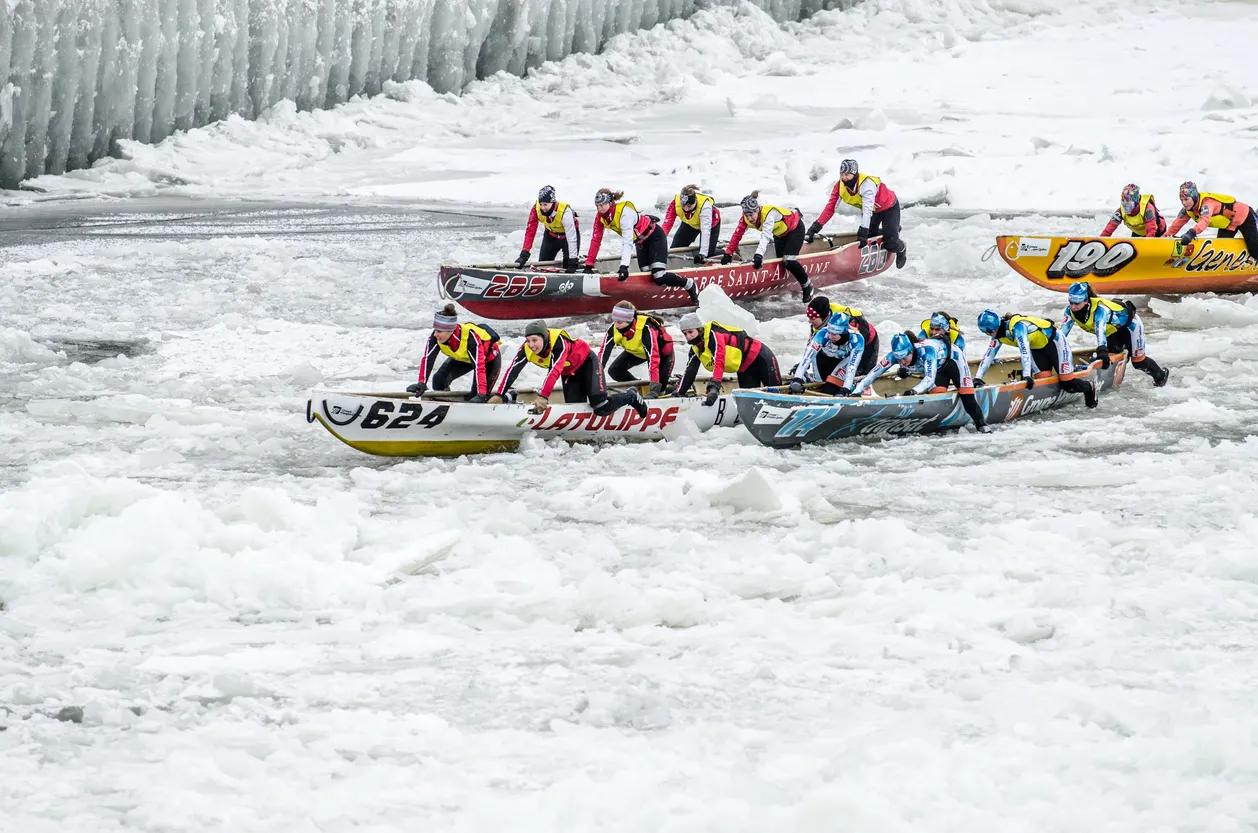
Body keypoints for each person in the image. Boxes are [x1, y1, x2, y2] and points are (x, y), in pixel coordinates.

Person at [494, 320, 648, 416]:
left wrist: (543, 397)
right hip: (570, 373)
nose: (531, 345)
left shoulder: (559, 342)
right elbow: (512, 371)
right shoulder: (526, 349)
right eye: (528, 340)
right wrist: (499, 395)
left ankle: (631, 396)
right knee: (575, 410)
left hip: (588, 364)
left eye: (535, 340)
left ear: (545, 337)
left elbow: (554, 370)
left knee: (601, 407)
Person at [851, 332, 989, 431]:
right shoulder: (894, 356)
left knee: (966, 395)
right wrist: (856, 392)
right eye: (898, 360)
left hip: (954, 361)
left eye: (905, 358)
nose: (902, 362)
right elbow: (872, 374)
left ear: (911, 350)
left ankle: (982, 425)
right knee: (937, 396)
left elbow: (929, 378)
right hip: (938, 369)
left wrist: (914, 391)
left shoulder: (927, 351)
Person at [585, 188, 700, 303]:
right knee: (646, 275)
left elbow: (627, 241)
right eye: (597, 206)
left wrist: (624, 266)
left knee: (658, 276)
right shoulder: (600, 217)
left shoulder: (624, 213)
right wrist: (589, 265)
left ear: (610, 203)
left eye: (602, 205)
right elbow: (596, 240)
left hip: (655, 237)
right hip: (641, 243)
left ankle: (688, 284)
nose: (599, 209)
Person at [974, 310, 1097, 408]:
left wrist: (1027, 375)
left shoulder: (1017, 327)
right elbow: (988, 355)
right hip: (1037, 349)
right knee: (1044, 385)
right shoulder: (997, 335)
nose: (988, 335)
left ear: (993, 329)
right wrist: (978, 378)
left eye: (988, 332)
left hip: (1054, 343)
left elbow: (1024, 351)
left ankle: (1089, 386)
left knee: (1068, 385)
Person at [1061, 281, 1170, 387]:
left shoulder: (1100, 310)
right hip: (1112, 331)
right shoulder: (1069, 312)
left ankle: (1161, 377)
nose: (1073, 307)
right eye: (1071, 303)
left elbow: (1100, 331)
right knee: (1111, 358)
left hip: (1131, 326)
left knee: (1138, 362)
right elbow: (1062, 335)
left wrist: (1102, 350)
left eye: (1077, 303)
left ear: (1086, 301)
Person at [805, 159, 907, 269]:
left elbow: (867, 210)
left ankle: (902, 248)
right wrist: (813, 229)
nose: (844, 178)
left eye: (847, 175)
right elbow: (830, 209)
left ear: (855, 173)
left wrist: (863, 231)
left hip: (889, 207)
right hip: (873, 211)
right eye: (842, 174)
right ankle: (892, 230)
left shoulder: (866, 185)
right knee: (869, 237)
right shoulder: (839, 187)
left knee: (890, 243)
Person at [721, 191, 815, 301]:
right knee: (780, 262)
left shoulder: (769, 214)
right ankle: (786, 285)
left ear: (757, 210)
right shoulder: (745, 217)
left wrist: (758, 255)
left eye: (751, 215)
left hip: (795, 229)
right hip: (780, 234)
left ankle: (807, 285)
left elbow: (765, 236)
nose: (749, 218)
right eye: (747, 215)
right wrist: (728, 253)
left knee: (788, 260)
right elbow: (737, 235)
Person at [676, 312, 781, 406]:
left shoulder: (714, 336)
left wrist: (714, 388)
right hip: (745, 368)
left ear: (699, 329)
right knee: (750, 403)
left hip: (761, 357)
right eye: (685, 333)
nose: (688, 336)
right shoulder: (695, 348)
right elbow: (690, 371)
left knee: (776, 397)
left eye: (690, 332)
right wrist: (679, 393)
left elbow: (719, 361)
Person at [407, 304, 501, 402]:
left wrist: (481, 394)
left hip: (488, 360)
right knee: (439, 379)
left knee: (476, 395)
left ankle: (501, 398)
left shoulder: (470, 339)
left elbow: (479, 366)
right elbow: (427, 359)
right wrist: (421, 383)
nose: (436, 334)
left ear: (451, 331)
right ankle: (443, 407)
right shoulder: (435, 337)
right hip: (464, 358)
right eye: (435, 330)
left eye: (439, 331)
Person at [597, 301, 675, 396]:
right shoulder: (613, 329)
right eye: (614, 321)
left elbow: (653, 358)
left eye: (619, 322)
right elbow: (602, 355)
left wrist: (654, 389)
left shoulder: (645, 329)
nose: (616, 325)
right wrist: (595, 382)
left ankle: (677, 388)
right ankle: (638, 389)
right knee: (614, 371)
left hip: (662, 354)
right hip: (637, 352)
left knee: (660, 390)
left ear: (629, 320)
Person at [787, 312, 875, 396]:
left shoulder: (857, 340)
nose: (830, 336)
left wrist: (845, 389)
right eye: (829, 332)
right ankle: (805, 378)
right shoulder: (822, 334)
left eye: (834, 334)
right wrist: (797, 379)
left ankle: (849, 386)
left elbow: (852, 367)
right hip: (823, 358)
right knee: (819, 385)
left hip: (843, 361)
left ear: (844, 332)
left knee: (830, 389)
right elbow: (807, 357)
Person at [1165, 181, 1258, 256]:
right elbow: (1175, 226)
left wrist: (1191, 233)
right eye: (1181, 200)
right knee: (1221, 251)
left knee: (1254, 249)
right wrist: (1162, 239)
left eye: (1186, 199)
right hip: (1228, 225)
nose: (1184, 203)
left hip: (1245, 217)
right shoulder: (1187, 210)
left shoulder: (1207, 204)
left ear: (1194, 197)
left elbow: (1204, 221)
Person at [516, 185, 580, 272]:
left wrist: (572, 260)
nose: (542, 208)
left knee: (569, 266)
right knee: (543, 267)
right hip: (550, 236)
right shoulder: (536, 209)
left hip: (568, 238)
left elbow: (571, 237)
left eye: (545, 204)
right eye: (541, 204)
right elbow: (530, 231)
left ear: (553, 202)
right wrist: (524, 253)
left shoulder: (565, 211)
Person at [661, 184, 721, 264]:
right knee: (675, 249)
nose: (686, 209)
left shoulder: (705, 206)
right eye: (684, 206)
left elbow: (705, 231)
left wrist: (702, 254)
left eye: (689, 206)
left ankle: (723, 251)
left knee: (707, 255)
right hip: (690, 223)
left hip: (711, 225)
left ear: (695, 201)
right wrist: (659, 242)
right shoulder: (676, 203)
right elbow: (667, 224)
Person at [1100, 183, 1166, 238]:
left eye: (1128, 200)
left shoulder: (1148, 209)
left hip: (1157, 231)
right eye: (1123, 199)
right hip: (1138, 232)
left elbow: (1151, 231)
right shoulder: (1120, 212)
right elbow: (1109, 229)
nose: (1125, 203)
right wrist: (1100, 241)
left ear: (1135, 200)